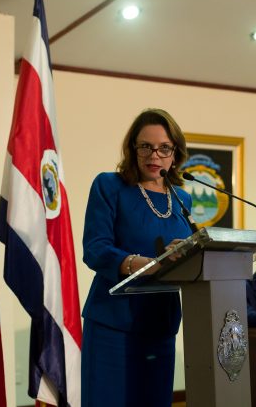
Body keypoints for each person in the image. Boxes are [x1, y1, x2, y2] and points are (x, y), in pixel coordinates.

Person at [81, 108, 193, 406]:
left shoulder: (183, 199)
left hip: (161, 323)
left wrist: (184, 255)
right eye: (146, 146)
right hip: (113, 323)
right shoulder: (109, 185)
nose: (154, 155)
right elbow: (95, 248)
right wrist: (140, 264)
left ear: (175, 153)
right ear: (133, 148)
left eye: (164, 148)